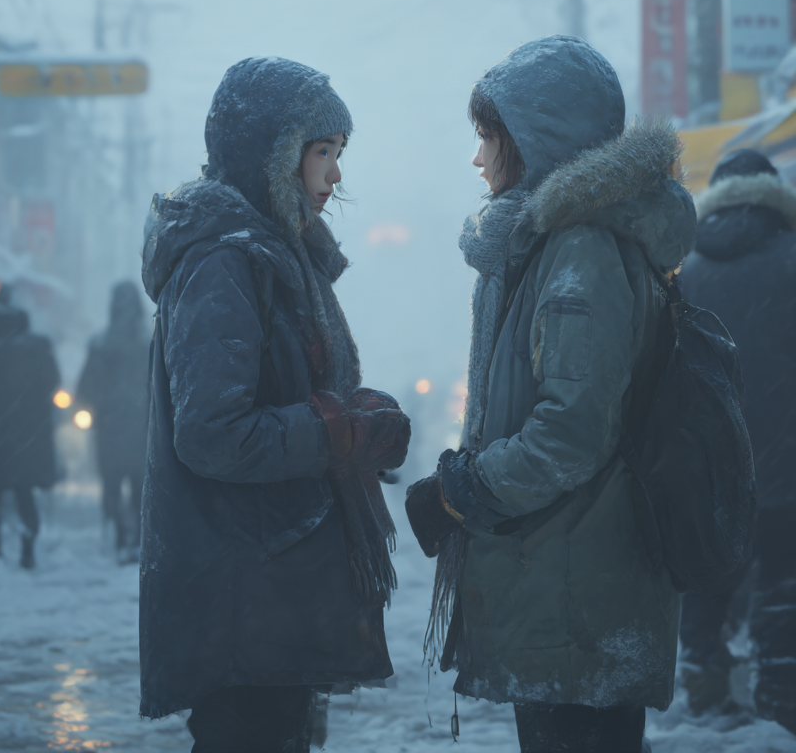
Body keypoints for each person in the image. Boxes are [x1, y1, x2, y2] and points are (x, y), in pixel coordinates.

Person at [405, 36, 696, 753]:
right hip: (570, 579)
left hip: (575, 591)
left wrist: (463, 491)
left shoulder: (580, 250)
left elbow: (570, 433)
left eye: (489, 137)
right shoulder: (561, 242)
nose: (478, 159)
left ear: (533, 143)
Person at [140, 56, 411, 753]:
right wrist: (336, 430)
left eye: (339, 152)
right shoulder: (225, 261)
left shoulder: (277, 251)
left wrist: (350, 412)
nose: (336, 173)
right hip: (244, 585)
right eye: (322, 151)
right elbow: (213, 432)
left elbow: (285, 393)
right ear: (273, 154)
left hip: (274, 580)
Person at [679, 148, 796, 734]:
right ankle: (780, 692)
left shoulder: (688, 268)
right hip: (786, 456)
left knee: (709, 577)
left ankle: (703, 684)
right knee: (782, 578)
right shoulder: (791, 257)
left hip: (710, 459)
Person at [0, 285, 60, 569]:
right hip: (29, 431)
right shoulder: (38, 346)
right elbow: (52, 382)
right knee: (24, 491)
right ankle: (27, 550)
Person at [76, 280, 149, 562]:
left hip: (110, 425)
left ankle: (119, 535)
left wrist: (101, 402)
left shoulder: (101, 343)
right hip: (141, 424)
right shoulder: (150, 341)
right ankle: (138, 538)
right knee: (141, 483)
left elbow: (86, 387)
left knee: (112, 482)